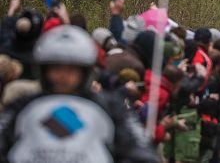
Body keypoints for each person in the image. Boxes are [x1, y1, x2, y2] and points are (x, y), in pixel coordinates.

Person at [0, 25, 160, 162]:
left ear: (85, 72)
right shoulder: (22, 105)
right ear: (43, 70)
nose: (62, 76)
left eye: (71, 69)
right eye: (55, 68)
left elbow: (141, 149)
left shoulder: (111, 106)